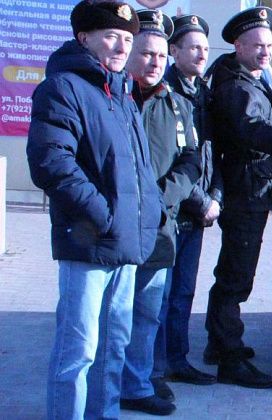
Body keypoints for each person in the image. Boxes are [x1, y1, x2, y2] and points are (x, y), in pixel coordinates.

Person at [27, 2, 160, 418]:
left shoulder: (121, 94)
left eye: (126, 38)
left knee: (112, 350)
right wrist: (101, 216)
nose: (121, 46)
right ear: (84, 38)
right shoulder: (63, 87)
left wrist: (147, 217)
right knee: (78, 352)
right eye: (110, 36)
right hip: (87, 242)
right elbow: (52, 162)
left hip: (125, 243)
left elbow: (140, 170)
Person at [206, 6, 272, 389]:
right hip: (245, 192)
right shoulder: (237, 86)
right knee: (236, 277)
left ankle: (218, 344)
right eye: (258, 45)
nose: (266, 51)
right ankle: (228, 357)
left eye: (269, 44)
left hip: (253, 189)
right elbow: (253, 131)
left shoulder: (251, 78)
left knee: (233, 272)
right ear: (238, 45)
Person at [120, 10, 201, 415]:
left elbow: (191, 161)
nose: (153, 62)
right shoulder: (114, 96)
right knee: (112, 315)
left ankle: (137, 383)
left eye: (159, 56)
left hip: (159, 225)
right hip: (115, 227)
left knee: (147, 314)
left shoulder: (178, 106)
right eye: (145, 53)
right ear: (130, 53)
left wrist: (162, 196)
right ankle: (110, 383)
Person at [159, 12, 220, 387]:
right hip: (172, 211)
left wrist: (217, 194)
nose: (201, 54)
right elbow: (173, 159)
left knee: (183, 292)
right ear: (174, 51)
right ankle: (153, 369)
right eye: (193, 47)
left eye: (205, 48)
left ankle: (177, 360)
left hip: (199, 212)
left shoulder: (205, 95)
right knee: (160, 297)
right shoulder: (165, 93)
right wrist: (203, 201)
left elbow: (215, 152)